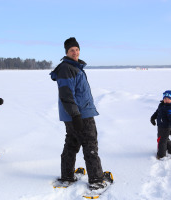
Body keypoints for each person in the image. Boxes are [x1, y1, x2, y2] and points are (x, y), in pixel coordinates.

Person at [50, 37, 106, 190]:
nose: (75, 52)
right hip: (80, 114)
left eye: (76, 49)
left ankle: (67, 175)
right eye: (71, 50)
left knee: (72, 143)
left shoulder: (74, 67)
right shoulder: (66, 68)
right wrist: (75, 115)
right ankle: (96, 179)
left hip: (77, 113)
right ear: (66, 52)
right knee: (90, 144)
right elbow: (67, 95)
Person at [150, 90, 171, 160]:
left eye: (168, 99)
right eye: (165, 99)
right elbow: (157, 112)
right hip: (160, 126)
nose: (166, 100)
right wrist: (153, 118)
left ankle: (161, 155)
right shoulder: (161, 105)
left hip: (166, 127)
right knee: (165, 139)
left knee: (162, 141)